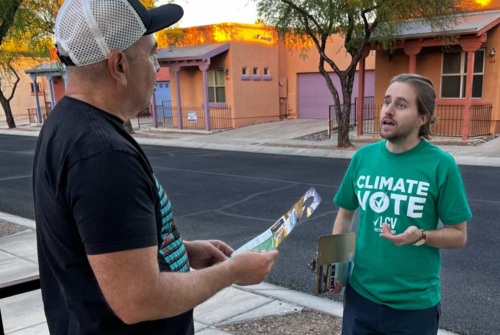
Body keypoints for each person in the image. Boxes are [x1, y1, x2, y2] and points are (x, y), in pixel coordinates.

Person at [32, 1, 279, 334]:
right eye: (151, 54)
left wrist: (180, 249)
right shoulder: (102, 155)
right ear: (118, 65)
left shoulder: (66, 125)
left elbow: (100, 246)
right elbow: (139, 300)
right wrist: (232, 271)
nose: (157, 65)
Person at [331, 73, 472, 335]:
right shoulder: (363, 158)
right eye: (387, 101)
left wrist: (421, 236)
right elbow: (345, 215)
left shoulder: (441, 166)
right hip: (360, 298)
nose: (388, 110)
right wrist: (336, 266)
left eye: (401, 105)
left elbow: (458, 235)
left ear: (423, 118)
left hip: (414, 308)